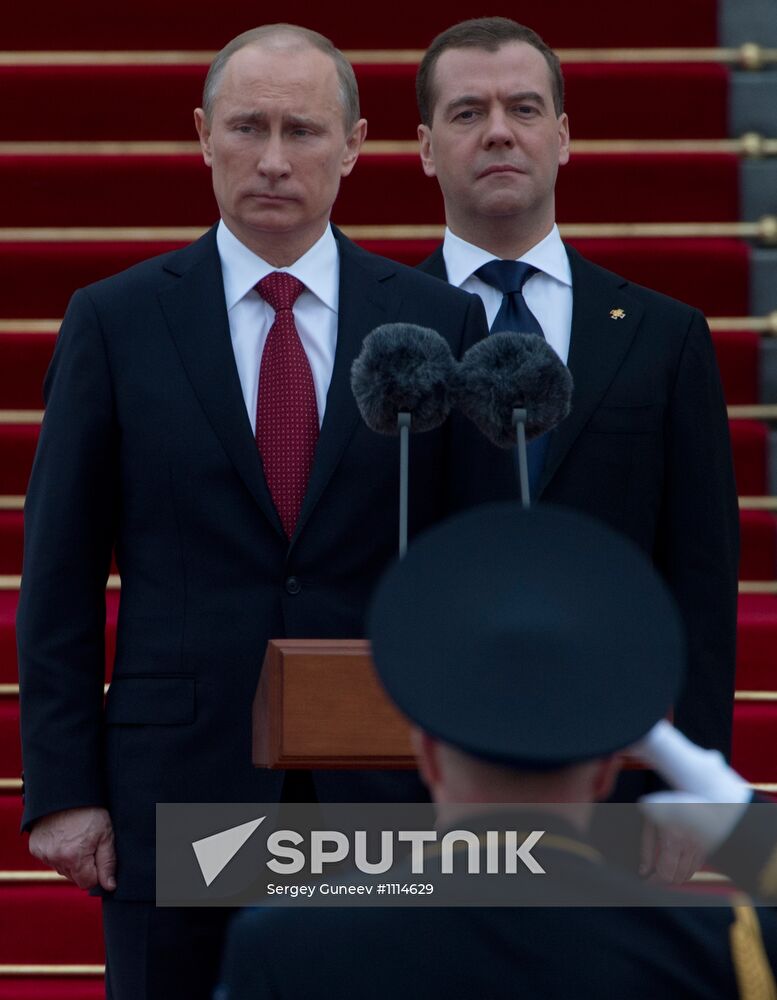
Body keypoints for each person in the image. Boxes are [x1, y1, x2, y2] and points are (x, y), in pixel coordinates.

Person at [15, 24, 516, 1000]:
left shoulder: (437, 322)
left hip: (385, 786)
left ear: (355, 145)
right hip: (177, 786)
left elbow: (477, 569)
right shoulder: (115, 322)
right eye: (248, 127)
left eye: (303, 130)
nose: (274, 159)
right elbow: (60, 575)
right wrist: (63, 790)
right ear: (203, 135)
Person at [217, 503, 777, 1000]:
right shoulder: (711, 950)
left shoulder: (288, 945)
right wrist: (748, 830)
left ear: (428, 757)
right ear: (606, 772)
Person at [413, 17, 739, 760]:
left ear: (561, 137)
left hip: (615, 751)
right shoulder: (381, 334)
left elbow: (703, 576)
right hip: (426, 760)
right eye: (467, 112)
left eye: (523, 108)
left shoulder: (664, 336)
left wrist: (691, 778)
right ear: (426, 149)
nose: (499, 132)